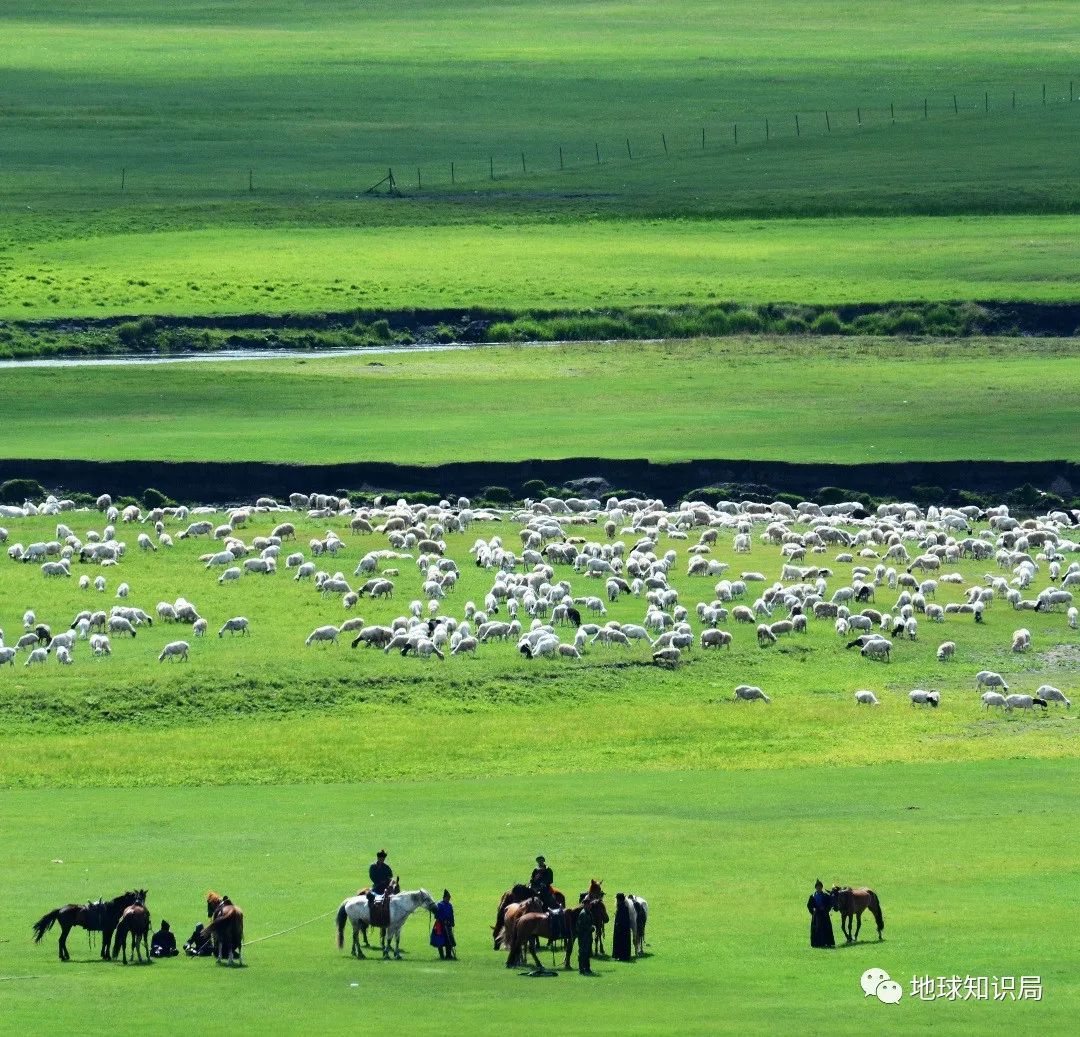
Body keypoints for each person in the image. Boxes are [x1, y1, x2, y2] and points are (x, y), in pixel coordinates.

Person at [807, 880, 835, 948]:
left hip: (824, 914)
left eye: (820, 886)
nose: (818, 888)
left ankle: (827, 942)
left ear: (822, 887)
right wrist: (813, 913)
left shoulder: (826, 895)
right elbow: (809, 905)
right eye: (817, 886)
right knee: (817, 929)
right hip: (816, 915)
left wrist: (826, 909)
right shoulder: (812, 896)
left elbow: (830, 904)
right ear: (815, 887)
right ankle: (817, 943)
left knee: (826, 928)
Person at [430, 889, 457, 960]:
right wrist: (442, 920)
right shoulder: (440, 905)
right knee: (440, 940)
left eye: (449, 898)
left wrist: (452, 922)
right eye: (448, 898)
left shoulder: (450, 905)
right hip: (440, 925)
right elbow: (437, 915)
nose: (449, 899)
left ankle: (448, 955)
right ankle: (442, 956)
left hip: (448, 925)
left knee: (449, 940)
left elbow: (451, 915)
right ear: (445, 897)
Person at [575, 902, 595, 975]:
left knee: (588, 952)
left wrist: (592, 927)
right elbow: (580, 926)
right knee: (582, 952)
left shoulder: (589, 912)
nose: (590, 906)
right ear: (585, 905)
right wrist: (590, 928)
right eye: (588, 904)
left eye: (590, 904)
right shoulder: (583, 914)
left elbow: (591, 922)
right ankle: (581, 969)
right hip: (583, 936)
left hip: (588, 936)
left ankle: (587, 968)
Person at [612, 893, 632, 961]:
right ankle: (624, 956)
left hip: (621, 929)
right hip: (624, 929)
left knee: (621, 942)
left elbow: (621, 919)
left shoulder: (621, 907)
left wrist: (618, 925)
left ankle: (621, 956)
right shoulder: (624, 907)